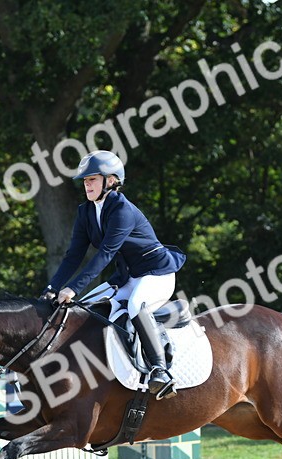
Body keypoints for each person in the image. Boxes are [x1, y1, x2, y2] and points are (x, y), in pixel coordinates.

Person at [40, 150, 186, 399]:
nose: (87, 185)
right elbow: (73, 256)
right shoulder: (85, 212)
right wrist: (52, 288)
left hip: (156, 274)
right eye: (85, 181)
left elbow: (105, 254)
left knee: (136, 306)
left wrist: (73, 288)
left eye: (92, 179)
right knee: (85, 308)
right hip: (127, 277)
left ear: (111, 180)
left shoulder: (122, 210)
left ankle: (160, 371)